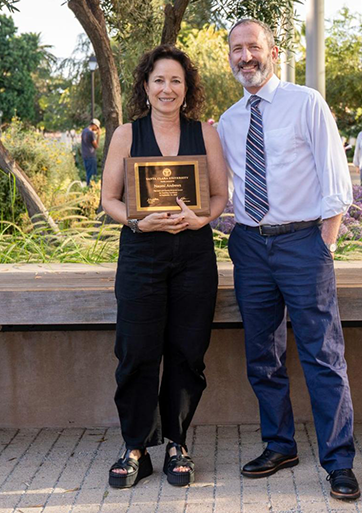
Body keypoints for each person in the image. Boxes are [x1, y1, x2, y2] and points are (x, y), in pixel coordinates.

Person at [217, 18, 359, 501]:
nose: (245, 57)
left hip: (303, 244)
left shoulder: (306, 102)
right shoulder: (230, 121)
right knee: (263, 354)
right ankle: (279, 445)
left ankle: (338, 462)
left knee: (323, 354)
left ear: (272, 51)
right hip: (251, 245)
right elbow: (223, 190)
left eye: (253, 47)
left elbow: (335, 177)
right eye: (237, 50)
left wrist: (326, 241)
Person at [100, 44, 228, 489]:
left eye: (176, 80)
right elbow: (109, 200)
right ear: (146, 86)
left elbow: (219, 198)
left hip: (194, 256)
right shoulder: (126, 135)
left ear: (187, 87)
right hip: (141, 255)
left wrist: (201, 218)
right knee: (135, 352)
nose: (167, 88)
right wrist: (140, 219)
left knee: (187, 353)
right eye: (159, 80)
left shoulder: (204, 134)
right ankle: (135, 446)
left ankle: (177, 443)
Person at [81, 119, 100, 187]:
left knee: (88, 174)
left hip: (85, 155)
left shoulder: (84, 131)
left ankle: (88, 188)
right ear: (94, 125)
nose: (96, 129)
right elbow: (96, 146)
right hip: (91, 156)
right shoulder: (91, 133)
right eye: (97, 127)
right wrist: (98, 135)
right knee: (92, 175)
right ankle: (91, 189)